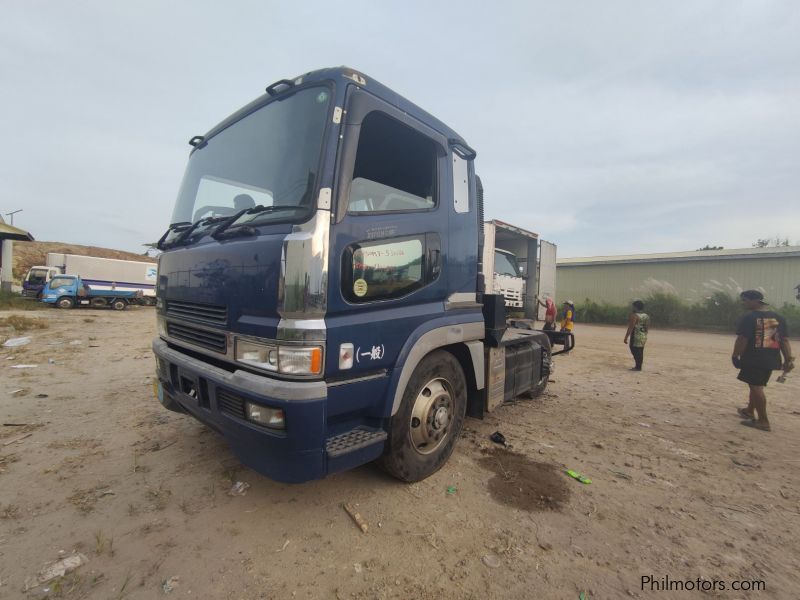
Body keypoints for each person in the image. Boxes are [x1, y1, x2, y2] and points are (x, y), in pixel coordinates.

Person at [732, 290, 794, 432]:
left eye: (745, 300)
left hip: (754, 358)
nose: (743, 303)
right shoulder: (777, 317)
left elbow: (742, 339)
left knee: (756, 387)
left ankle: (763, 421)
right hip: (771, 359)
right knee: (756, 385)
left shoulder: (749, 318)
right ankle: (749, 410)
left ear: (755, 301)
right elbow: (784, 340)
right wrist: (788, 360)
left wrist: (735, 356)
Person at [623, 299, 650, 371]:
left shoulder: (634, 316)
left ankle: (638, 367)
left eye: (633, 306)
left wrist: (626, 337)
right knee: (640, 350)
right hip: (643, 335)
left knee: (634, 350)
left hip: (636, 336)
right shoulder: (646, 316)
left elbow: (630, 327)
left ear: (636, 307)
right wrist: (645, 334)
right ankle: (639, 366)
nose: (632, 308)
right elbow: (647, 327)